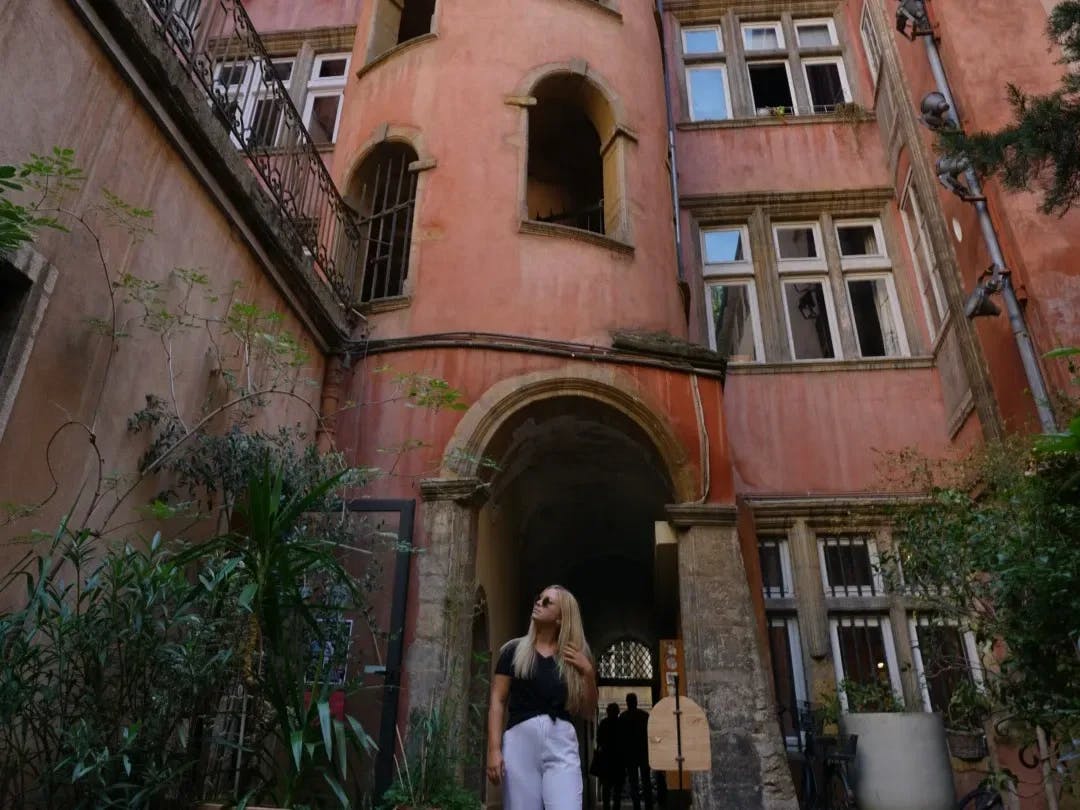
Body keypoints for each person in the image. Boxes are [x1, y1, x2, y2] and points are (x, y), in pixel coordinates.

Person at [487, 585, 599, 810]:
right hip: (520, 744)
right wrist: (494, 749)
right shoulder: (514, 651)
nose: (539, 603)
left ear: (561, 618)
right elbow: (498, 701)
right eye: (539, 598)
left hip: (561, 743)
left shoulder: (575, 656)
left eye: (547, 602)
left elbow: (587, 711)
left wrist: (588, 672)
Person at [618, 692, 652, 810]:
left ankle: (636, 806)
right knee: (646, 782)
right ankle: (649, 806)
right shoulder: (645, 716)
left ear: (627, 703)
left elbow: (620, 738)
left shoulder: (622, 717)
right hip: (643, 752)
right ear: (636, 702)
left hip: (630, 754)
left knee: (634, 783)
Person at [595, 702, 624, 810]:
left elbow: (599, 740)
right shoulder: (621, 723)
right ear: (617, 712)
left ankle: (606, 807)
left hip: (606, 760)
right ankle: (616, 807)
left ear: (607, 711)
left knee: (606, 788)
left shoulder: (603, 723)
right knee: (617, 789)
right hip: (618, 760)